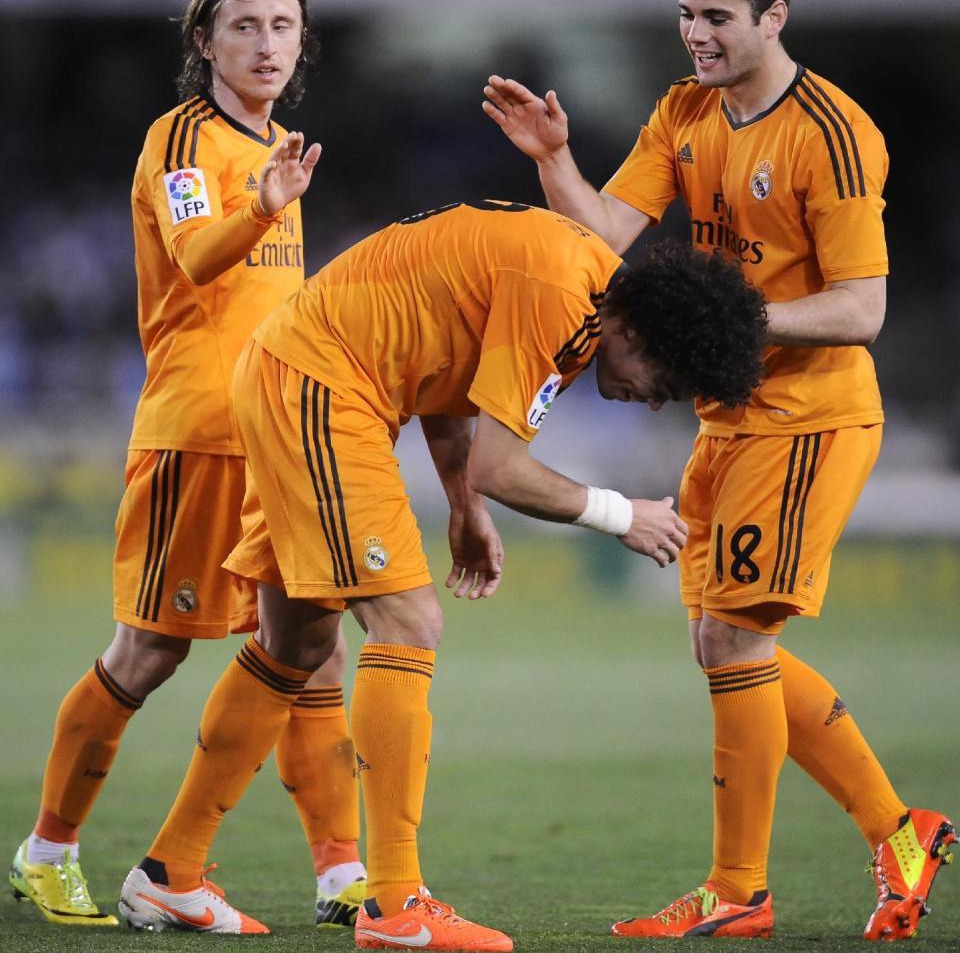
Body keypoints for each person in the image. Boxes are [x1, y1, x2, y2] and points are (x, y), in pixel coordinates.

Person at [113, 198, 768, 947]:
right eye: (667, 381)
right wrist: (623, 514)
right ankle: (396, 906)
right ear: (636, 331)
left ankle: (170, 875)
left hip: (299, 373)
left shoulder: (575, 279)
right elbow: (504, 466)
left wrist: (463, 507)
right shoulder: (563, 293)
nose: (656, 403)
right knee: (409, 622)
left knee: (292, 644)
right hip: (322, 389)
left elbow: (443, 372)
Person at [482, 0, 955, 943]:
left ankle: (741, 888)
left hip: (812, 413)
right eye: (686, 12)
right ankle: (898, 829)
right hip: (730, 415)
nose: (695, 33)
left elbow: (862, 308)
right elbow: (602, 233)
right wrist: (555, 161)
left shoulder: (831, 134)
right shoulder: (684, 112)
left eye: (717, 17)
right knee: (720, 639)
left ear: (774, 16)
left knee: (736, 634)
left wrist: (730, 318)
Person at [9, 0, 366, 934]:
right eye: (243, 24)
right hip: (198, 432)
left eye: (283, 25)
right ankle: (48, 852)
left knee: (312, 645)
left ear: (301, 46)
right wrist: (267, 201)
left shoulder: (286, 145)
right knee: (152, 647)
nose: (265, 43)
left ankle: (344, 876)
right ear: (201, 41)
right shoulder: (182, 140)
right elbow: (197, 259)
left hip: (281, 438)